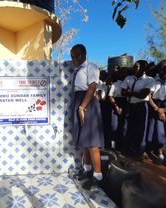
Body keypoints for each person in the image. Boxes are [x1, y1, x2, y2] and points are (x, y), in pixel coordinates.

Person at [70, 44, 104, 190]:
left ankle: (98, 176)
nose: (73, 59)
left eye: (75, 55)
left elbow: (92, 87)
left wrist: (82, 107)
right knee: (84, 141)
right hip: (79, 100)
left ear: (83, 54)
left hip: (87, 103)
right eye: (71, 56)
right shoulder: (78, 69)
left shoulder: (92, 67)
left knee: (92, 142)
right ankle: (88, 169)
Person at [121, 60, 154, 161]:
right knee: (129, 129)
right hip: (130, 106)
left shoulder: (149, 80)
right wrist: (136, 93)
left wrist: (130, 92)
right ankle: (127, 151)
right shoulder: (128, 78)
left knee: (141, 130)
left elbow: (143, 95)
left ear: (143, 68)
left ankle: (138, 152)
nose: (134, 68)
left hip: (142, 106)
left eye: (137, 67)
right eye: (134, 66)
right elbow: (123, 92)